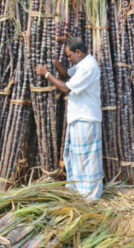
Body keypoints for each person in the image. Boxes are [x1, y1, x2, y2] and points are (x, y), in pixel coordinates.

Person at [35, 39, 103, 201]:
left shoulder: (89, 66)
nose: (69, 59)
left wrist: (46, 74)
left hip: (86, 118)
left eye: (69, 55)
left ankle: (90, 195)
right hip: (79, 118)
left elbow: (66, 87)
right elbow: (66, 74)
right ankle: (80, 191)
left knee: (87, 159)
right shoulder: (82, 65)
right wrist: (55, 62)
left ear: (78, 52)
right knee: (76, 157)